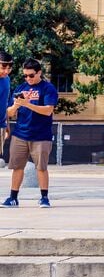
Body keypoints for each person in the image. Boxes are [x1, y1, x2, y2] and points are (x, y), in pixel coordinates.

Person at [3, 58, 58, 208]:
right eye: (25, 75)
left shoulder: (48, 88)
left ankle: (44, 198)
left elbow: (48, 110)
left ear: (39, 72)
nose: (28, 78)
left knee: (41, 167)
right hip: (20, 134)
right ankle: (13, 198)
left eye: (31, 75)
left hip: (41, 135)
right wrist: (16, 105)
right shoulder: (20, 88)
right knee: (17, 167)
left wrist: (27, 104)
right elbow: (9, 113)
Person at [0, 52, 11, 154]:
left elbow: (5, 103)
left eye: (9, 68)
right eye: (3, 68)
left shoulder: (7, 79)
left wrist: (7, 125)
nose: (6, 71)